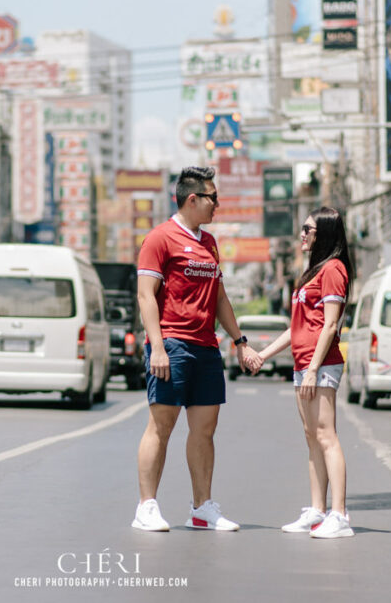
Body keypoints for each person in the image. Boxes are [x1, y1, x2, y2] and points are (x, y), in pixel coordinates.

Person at [131, 166, 261, 532]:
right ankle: (146, 507)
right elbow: (146, 296)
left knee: (205, 430)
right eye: (213, 198)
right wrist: (157, 346)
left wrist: (240, 342)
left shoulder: (209, 243)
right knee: (161, 426)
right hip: (171, 345)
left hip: (206, 348)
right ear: (193, 199)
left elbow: (219, 296)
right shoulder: (159, 239)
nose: (217, 205)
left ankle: (202, 508)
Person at [257, 207, 355, 538]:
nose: (302, 234)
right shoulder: (311, 274)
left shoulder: (333, 269)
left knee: (327, 436)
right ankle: (317, 511)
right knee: (312, 437)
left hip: (321, 364)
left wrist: (313, 369)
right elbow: (295, 328)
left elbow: (330, 324)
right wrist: (263, 355)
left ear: (323, 234)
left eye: (308, 229)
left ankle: (339, 515)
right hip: (304, 365)